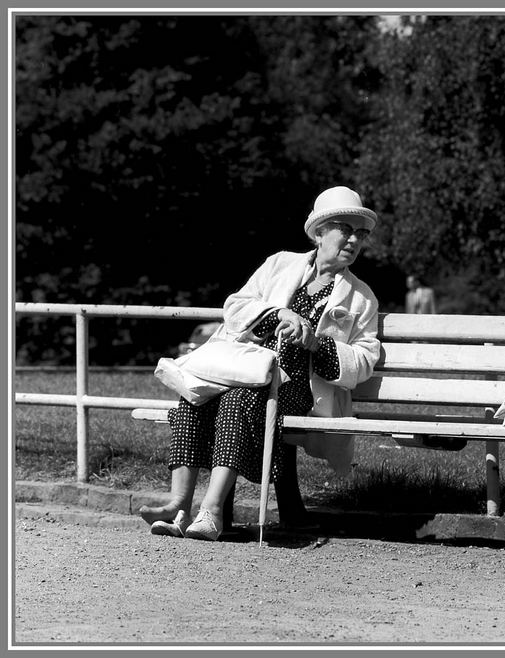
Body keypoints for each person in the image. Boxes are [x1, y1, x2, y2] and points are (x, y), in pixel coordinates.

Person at [139, 185, 381, 540]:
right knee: (194, 397)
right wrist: (276, 313)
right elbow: (235, 306)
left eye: (360, 234)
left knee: (240, 398)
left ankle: (213, 511)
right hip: (245, 367)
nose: (354, 241)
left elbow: (363, 360)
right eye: (345, 230)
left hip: (300, 388)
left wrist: (317, 343)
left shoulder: (362, 297)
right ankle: (179, 504)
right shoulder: (279, 264)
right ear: (319, 233)